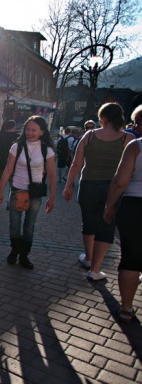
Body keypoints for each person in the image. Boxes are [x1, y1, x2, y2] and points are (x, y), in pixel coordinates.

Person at [63, 102, 135, 281]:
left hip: (87, 185)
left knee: (88, 224)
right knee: (106, 226)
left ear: (102, 118)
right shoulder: (127, 139)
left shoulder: (89, 135)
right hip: (113, 188)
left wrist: (68, 185)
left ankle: (88, 258)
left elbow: (76, 164)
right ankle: (95, 269)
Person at [0, 116, 56, 269]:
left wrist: (52, 198)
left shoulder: (46, 150)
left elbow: (51, 175)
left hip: (35, 194)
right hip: (17, 190)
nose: (30, 133)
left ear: (42, 132)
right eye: (28, 129)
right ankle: (14, 250)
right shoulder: (17, 146)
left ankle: (24, 255)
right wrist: (0, 191)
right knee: (14, 225)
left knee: (29, 226)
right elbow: (8, 169)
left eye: (34, 130)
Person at [103, 136, 142, 322]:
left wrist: (109, 205)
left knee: (131, 257)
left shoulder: (136, 145)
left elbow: (120, 181)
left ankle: (126, 308)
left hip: (135, 204)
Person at [0, 120, 18, 210]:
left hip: (1, 163)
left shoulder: (0, 137)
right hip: (15, 164)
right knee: (12, 185)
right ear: (14, 127)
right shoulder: (18, 137)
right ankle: (9, 203)